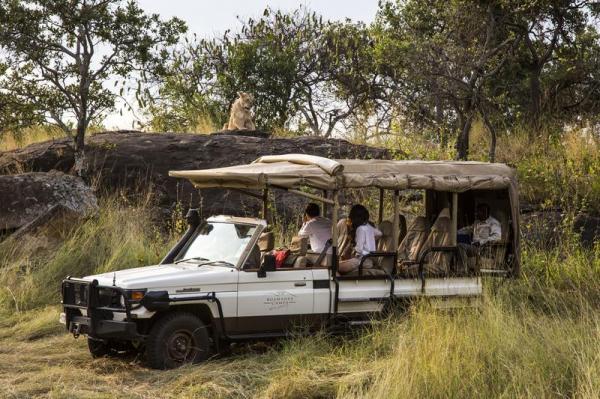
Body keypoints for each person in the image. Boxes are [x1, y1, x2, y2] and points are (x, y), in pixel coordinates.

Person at [338, 204, 382, 274]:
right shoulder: (369, 227)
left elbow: (358, 249)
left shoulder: (360, 229)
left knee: (336, 267)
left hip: (361, 261)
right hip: (367, 260)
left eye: (351, 219)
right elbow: (380, 234)